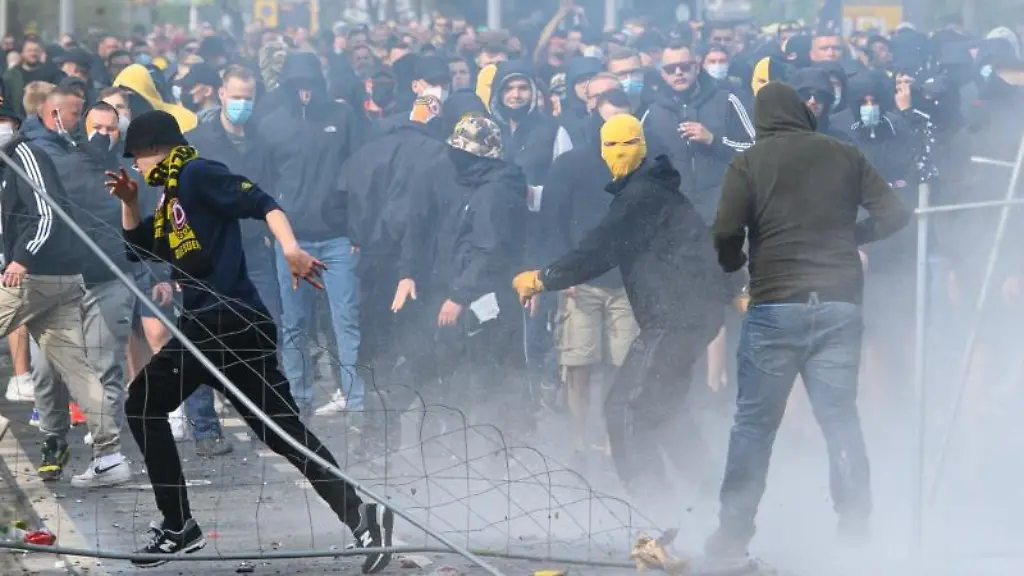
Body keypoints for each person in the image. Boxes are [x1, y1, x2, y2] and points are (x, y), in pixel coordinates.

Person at [110, 110, 394, 571]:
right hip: (230, 324)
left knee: (142, 404)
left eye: (136, 160)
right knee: (279, 431)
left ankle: (179, 525)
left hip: (223, 319)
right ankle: (360, 517)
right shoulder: (168, 199)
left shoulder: (197, 173)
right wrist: (128, 202)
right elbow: (140, 249)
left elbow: (263, 202)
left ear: (150, 150)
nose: (136, 169)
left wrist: (291, 249)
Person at [705, 82, 910, 559]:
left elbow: (725, 232)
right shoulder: (844, 154)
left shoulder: (749, 162)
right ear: (801, 113)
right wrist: (851, 235)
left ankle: (733, 535)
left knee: (755, 426)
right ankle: (856, 524)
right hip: (839, 304)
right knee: (840, 420)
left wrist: (735, 261)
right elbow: (896, 213)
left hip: (776, 304)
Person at [513, 114, 731, 501]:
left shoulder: (644, 195)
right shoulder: (652, 190)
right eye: (610, 146)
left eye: (628, 144)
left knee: (625, 408)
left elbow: (600, 248)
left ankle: (651, 508)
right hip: (686, 313)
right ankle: (712, 494)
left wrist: (542, 278)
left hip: (676, 316)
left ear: (642, 147)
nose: (619, 153)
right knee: (665, 408)